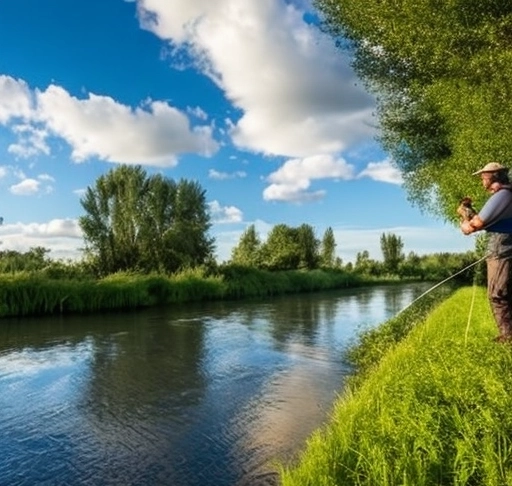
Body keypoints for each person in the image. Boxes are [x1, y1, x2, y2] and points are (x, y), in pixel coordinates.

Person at [460, 162, 512, 342]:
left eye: (484, 175)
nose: (482, 179)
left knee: (497, 294)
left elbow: (475, 225)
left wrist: (464, 222)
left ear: (494, 176)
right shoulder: (507, 194)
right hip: (504, 246)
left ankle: (508, 337)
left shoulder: (502, 195)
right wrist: (469, 214)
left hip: (502, 249)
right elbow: (491, 221)